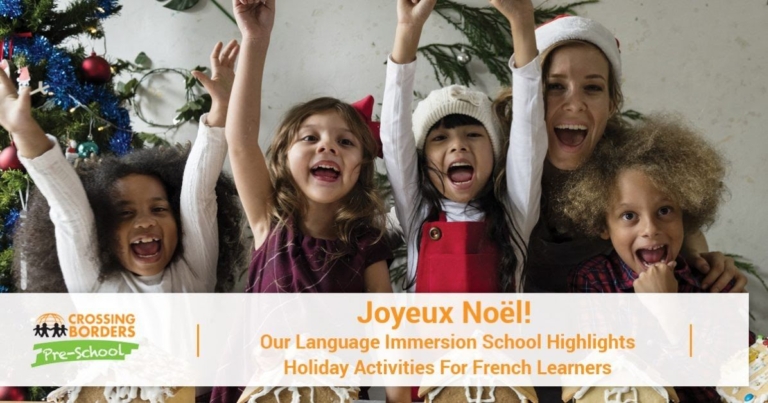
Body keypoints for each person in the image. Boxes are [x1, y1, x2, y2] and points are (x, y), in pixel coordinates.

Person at [209, 1, 409, 402]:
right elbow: (241, 141)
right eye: (310, 137)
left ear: (360, 167)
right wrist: (256, 39)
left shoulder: (367, 244)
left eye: (345, 142)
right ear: (283, 155)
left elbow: (389, 332)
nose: (327, 147)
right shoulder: (271, 222)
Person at [488, 10, 746, 294]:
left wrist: (701, 262)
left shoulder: (629, 164)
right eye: (555, 86)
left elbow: (675, 218)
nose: (575, 104)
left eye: (592, 88)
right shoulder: (491, 164)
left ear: (612, 103)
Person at [6, 40, 244, 293]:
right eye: (125, 213)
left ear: (180, 221)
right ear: (100, 231)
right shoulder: (93, 285)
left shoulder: (195, 274)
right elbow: (70, 211)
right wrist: (23, 130)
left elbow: (198, 196)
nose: (145, 222)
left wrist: (222, 107)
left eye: (159, 208)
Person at [563, 114, 734, 401]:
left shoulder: (715, 285)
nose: (650, 229)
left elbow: (724, 385)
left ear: (686, 213)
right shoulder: (593, 282)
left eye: (664, 211)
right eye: (629, 216)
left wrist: (670, 311)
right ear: (604, 226)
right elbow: (603, 380)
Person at [382, 0, 546, 294]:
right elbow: (394, 140)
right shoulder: (417, 212)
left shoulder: (516, 212)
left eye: (472, 134)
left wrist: (522, 22)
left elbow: (529, 133)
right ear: (421, 160)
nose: (458, 146)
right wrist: (407, 31)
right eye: (440, 138)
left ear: (496, 155)